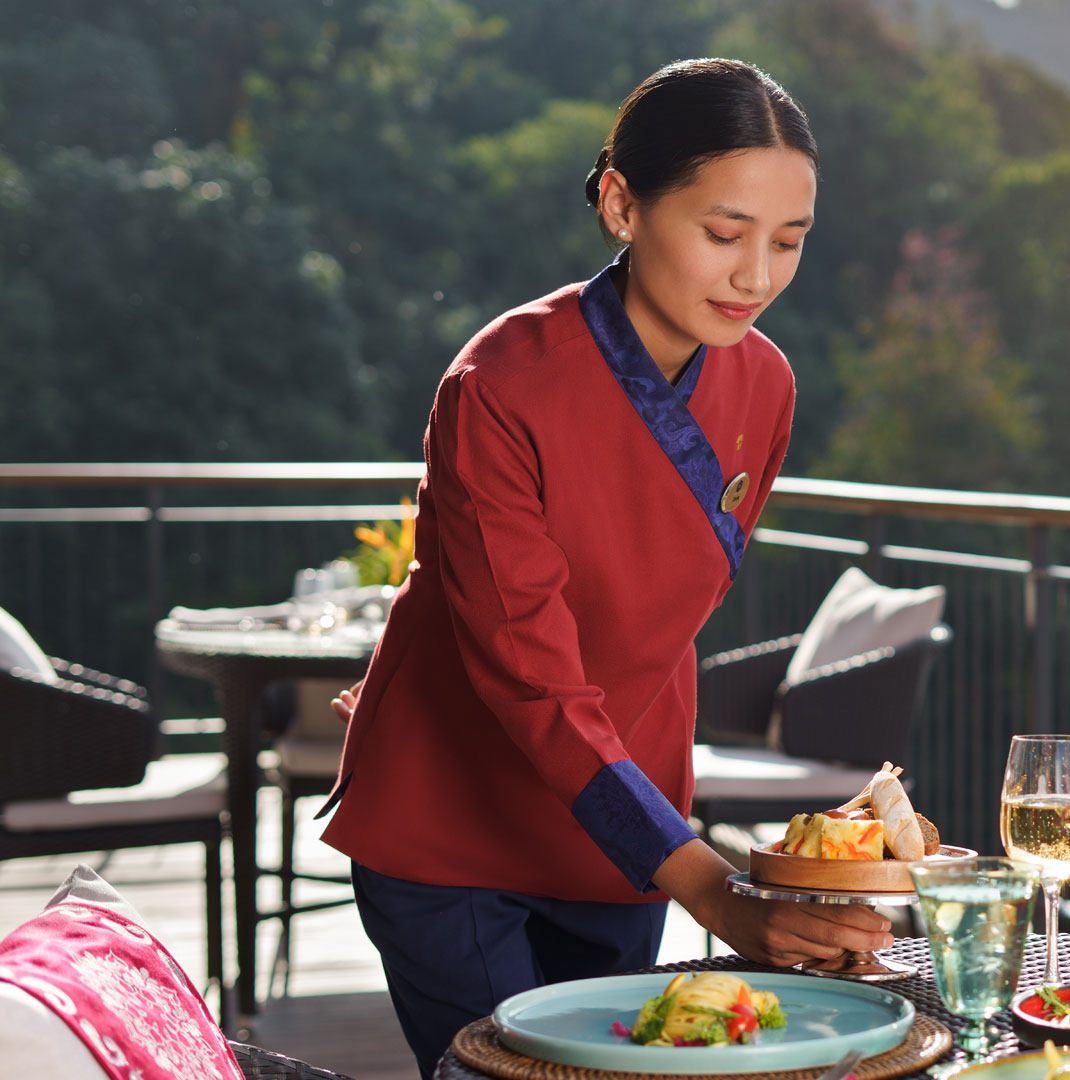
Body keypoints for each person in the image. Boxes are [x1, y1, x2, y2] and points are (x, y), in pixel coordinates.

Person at [318, 58, 891, 1078]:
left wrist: (693, 856)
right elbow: (528, 671)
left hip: (627, 835)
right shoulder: (496, 386)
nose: (756, 276)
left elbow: (668, 611)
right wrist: (712, 887)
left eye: (788, 242)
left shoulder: (765, 383)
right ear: (622, 204)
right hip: (453, 820)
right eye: (724, 234)